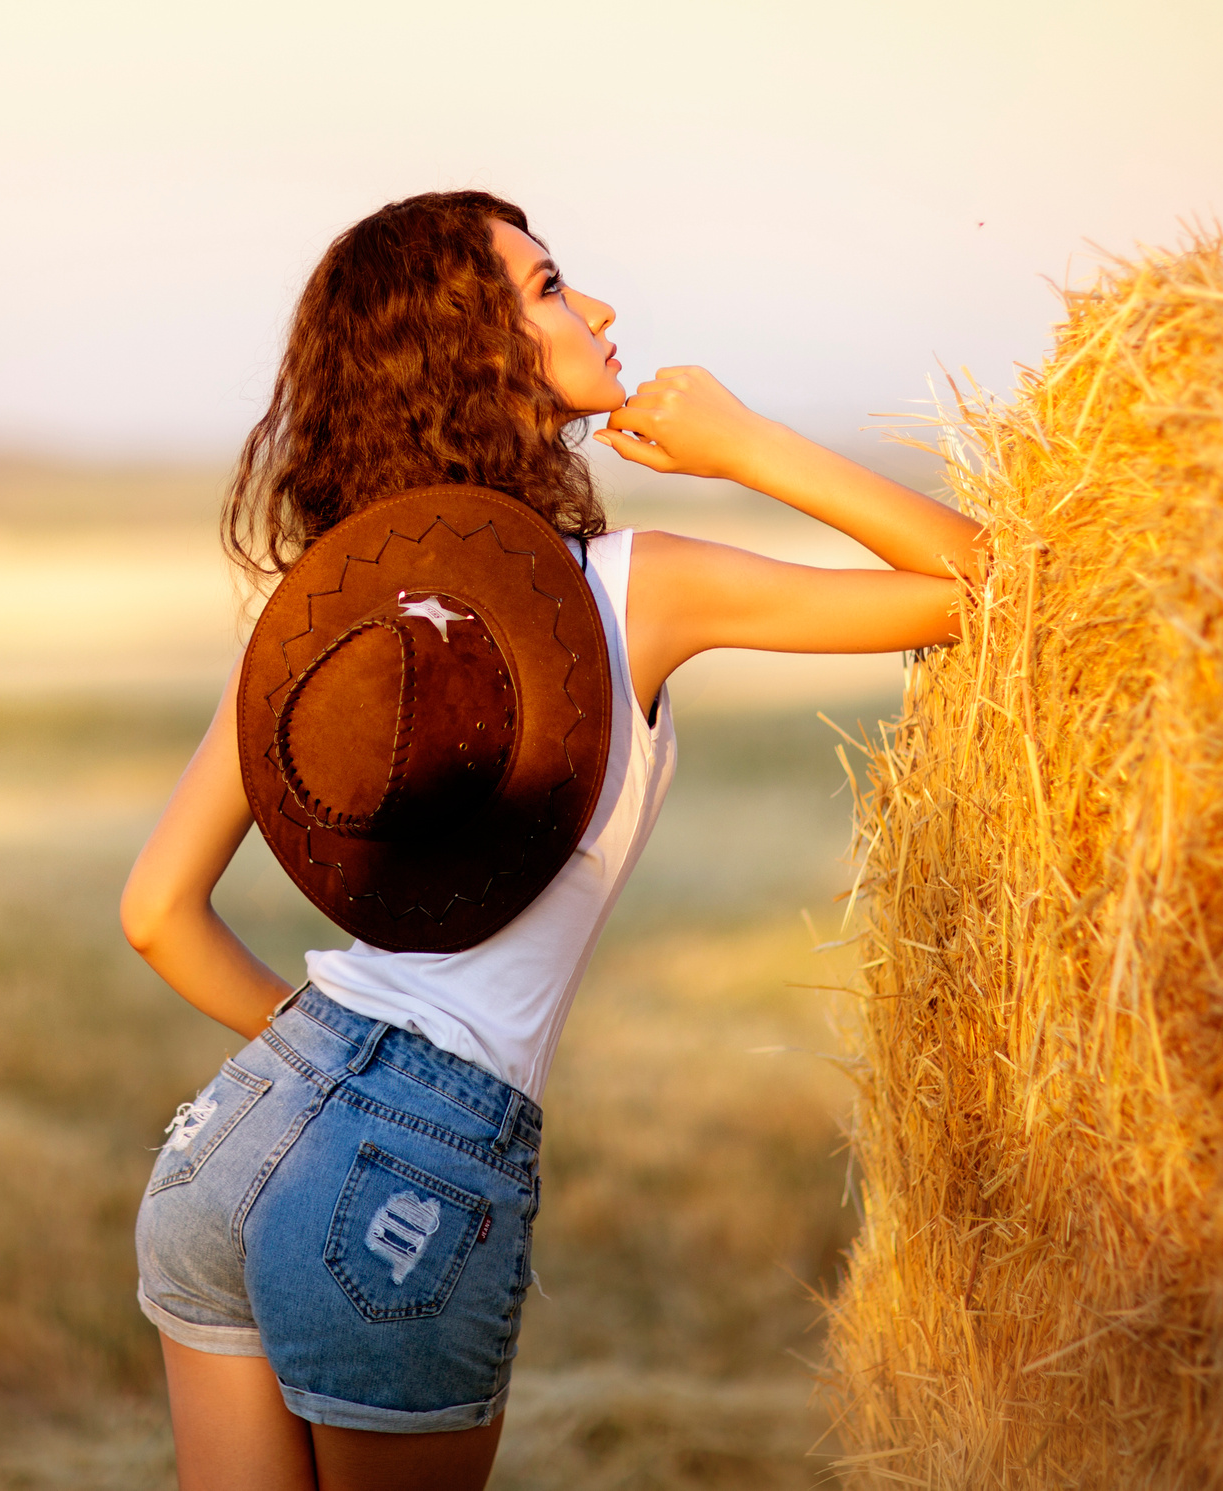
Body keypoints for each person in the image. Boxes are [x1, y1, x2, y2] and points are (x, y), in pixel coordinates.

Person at [120, 190, 983, 1491]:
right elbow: (985, 582)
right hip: (414, 1164)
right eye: (551, 287)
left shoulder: (327, 613)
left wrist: (329, 1073)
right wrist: (744, 444)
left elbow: (155, 913)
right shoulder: (635, 589)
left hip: (235, 1136)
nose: (601, 311)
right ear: (479, 356)